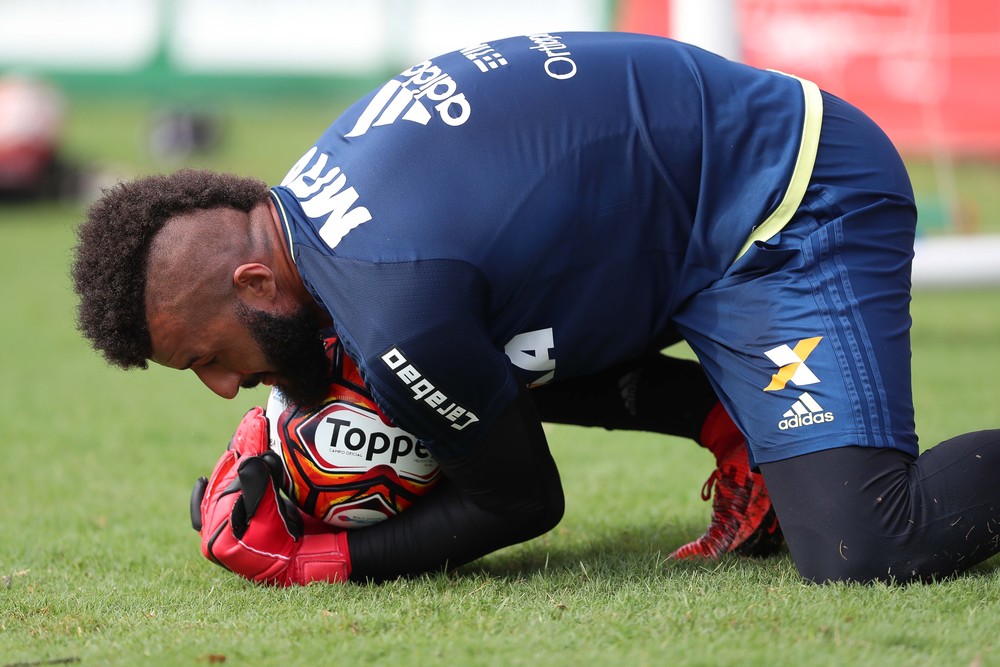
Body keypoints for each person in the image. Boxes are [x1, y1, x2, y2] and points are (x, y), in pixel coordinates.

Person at [73, 32, 1000, 585]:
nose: (225, 385)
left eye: (208, 355)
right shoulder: (317, 210)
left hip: (788, 198)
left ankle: (760, 438)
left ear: (253, 284)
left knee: (864, 541)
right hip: (686, 209)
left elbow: (518, 499)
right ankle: (735, 427)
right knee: (454, 372)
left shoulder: (398, 306)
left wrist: (320, 560)